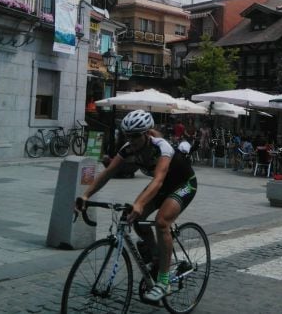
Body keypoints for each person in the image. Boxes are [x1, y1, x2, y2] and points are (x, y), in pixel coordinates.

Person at [76, 109, 197, 303]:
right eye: (127, 136)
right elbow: (107, 173)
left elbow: (157, 180)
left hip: (183, 184)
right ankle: (158, 257)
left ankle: (164, 282)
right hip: (162, 186)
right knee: (137, 219)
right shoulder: (128, 149)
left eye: (135, 136)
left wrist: (140, 203)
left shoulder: (162, 147)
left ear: (147, 133)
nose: (131, 140)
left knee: (161, 222)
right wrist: (86, 194)